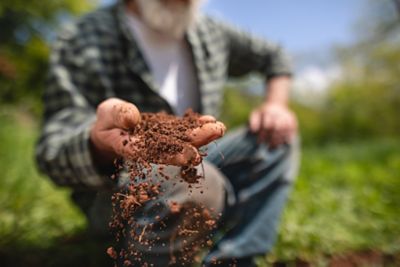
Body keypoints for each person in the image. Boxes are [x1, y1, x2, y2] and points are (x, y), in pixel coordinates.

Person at [35, 0, 299, 266]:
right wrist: (100, 143)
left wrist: (275, 105)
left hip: (201, 159)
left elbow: (275, 55)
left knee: (275, 137)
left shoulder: (208, 30)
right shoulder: (85, 37)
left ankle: (235, 257)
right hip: (120, 183)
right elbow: (52, 149)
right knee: (197, 185)